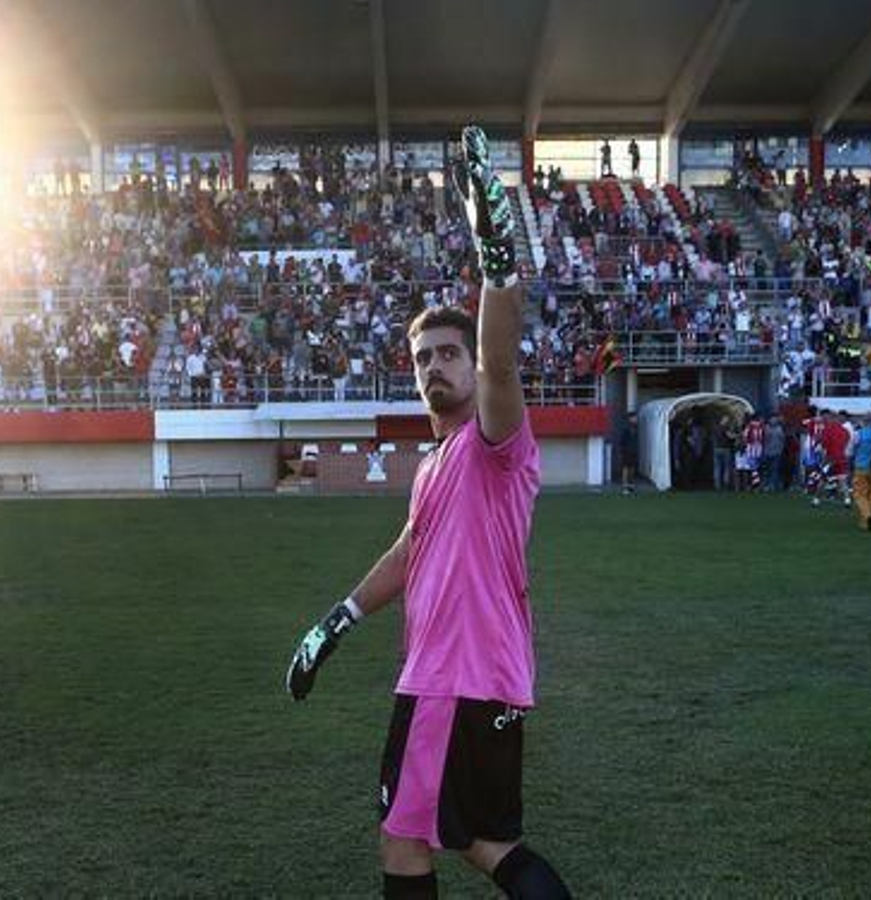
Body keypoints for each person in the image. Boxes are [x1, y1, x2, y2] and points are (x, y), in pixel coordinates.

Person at [285, 126, 570, 900]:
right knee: (485, 842)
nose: (435, 367)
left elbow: (502, 362)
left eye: (448, 354)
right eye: (422, 359)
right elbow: (413, 548)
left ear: (469, 365)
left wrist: (497, 266)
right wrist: (334, 623)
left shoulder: (493, 442)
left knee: (405, 838)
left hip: (454, 678)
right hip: (477, 679)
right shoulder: (437, 464)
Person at [617, 410, 638, 494]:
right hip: (626, 452)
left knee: (632, 469)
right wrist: (622, 451)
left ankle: (631, 487)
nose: (636, 419)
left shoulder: (635, 428)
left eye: (636, 417)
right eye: (634, 417)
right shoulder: (626, 428)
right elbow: (622, 441)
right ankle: (625, 487)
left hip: (633, 451)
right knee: (625, 469)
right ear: (630, 418)